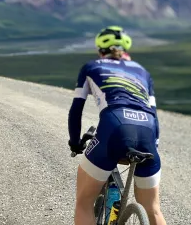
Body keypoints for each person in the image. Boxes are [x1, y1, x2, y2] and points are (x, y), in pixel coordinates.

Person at [67, 26, 166, 225]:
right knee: (153, 209)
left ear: (100, 50)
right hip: (147, 131)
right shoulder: (143, 72)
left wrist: (75, 142)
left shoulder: (91, 67)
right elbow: (154, 116)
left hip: (115, 127)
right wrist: (153, 146)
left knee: (84, 203)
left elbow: (76, 109)